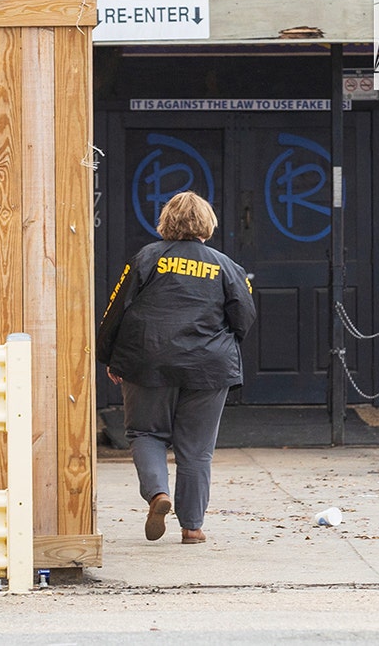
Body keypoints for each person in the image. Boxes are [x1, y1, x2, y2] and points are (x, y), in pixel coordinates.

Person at [95, 190, 256, 544]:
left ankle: (157, 494)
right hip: (208, 366)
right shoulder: (227, 265)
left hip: (146, 359)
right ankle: (193, 527)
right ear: (207, 224)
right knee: (196, 449)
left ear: (166, 221)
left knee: (145, 433)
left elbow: (115, 308)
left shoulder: (146, 259)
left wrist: (110, 355)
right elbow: (244, 317)